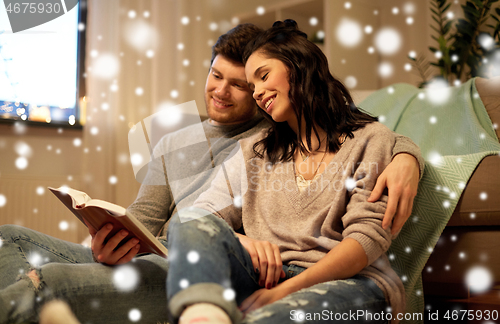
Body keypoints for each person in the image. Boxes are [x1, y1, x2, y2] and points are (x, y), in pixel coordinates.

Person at [0, 23, 422, 324]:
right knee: (11, 241)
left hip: (303, 276)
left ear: (297, 69)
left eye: (250, 82)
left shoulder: (323, 134)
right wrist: (104, 243)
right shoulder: (247, 149)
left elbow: (365, 126)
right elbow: (181, 218)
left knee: (51, 284)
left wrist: (409, 154)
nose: (232, 91)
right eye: (218, 76)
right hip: (192, 259)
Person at [166, 20, 415, 324]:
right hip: (266, 278)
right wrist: (244, 242)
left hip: (353, 284)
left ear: (298, 66)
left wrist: (284, 291)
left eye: (263, 75)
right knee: (187, 221)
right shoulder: (254, 151)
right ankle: (203, 314)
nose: (257, 92)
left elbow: (365, 241)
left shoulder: (370, 140)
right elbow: (195, 215)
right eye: (252, 85)